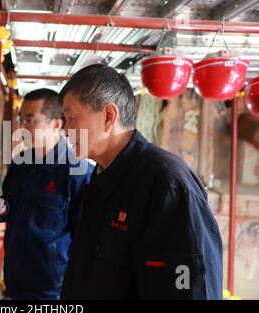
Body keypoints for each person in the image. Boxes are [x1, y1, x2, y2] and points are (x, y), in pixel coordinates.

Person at [59, 64, 223, 300]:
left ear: (108, 116)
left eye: (71, 118)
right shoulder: (101, 176)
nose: (66, 130)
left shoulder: (167, 183)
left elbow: (190, 286)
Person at [0, 88, 93, 299]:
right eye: (21, 119)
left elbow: (85, 244)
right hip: (14, 280)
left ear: (56, 124)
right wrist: (3, 206)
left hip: (51, 290)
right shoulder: (20, 163)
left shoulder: (78, 173)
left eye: (31, 121)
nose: (22, 128)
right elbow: (10, 206)